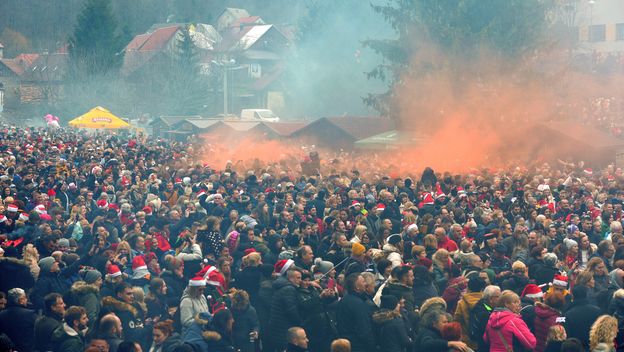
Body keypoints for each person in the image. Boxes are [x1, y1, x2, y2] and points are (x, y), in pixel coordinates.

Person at [336, 273, 375, 352]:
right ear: (357, 287)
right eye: (363, 282)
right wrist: (373, 347)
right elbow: (364, 330)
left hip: (348, 344)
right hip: (359, 346)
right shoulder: (358, 304)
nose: (366, 284)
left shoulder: (344, 300)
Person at [268, 268, 302, 352]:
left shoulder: (282, 287)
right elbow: (291, 310)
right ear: (291, 278)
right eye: (298, 278)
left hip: (277, 326)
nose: (300, 280)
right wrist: (299, 322)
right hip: (284, 327)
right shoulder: (289, 289)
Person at [563, 284, 601, 349]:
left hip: (575, 348)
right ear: (586, 294)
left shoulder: (568, 314)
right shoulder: (597, 311)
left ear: (573, 296)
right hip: (593, 347)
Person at [0, 288, 37, 352]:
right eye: (25, 297)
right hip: (27, 349)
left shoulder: (1, 314)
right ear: (20, 300)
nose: (27, 299)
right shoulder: (30, 314)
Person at [454, 276, 486, 350]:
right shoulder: (486, 302)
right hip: (484, 341)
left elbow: (457, 321)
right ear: (482, 289)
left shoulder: (461, 303)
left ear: (468, 288)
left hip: (468, 342)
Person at [469, 285, 501, 352]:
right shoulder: (483, 314)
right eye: (498, 297)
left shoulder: (486, 307)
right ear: (490, 299)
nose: (500, 299)